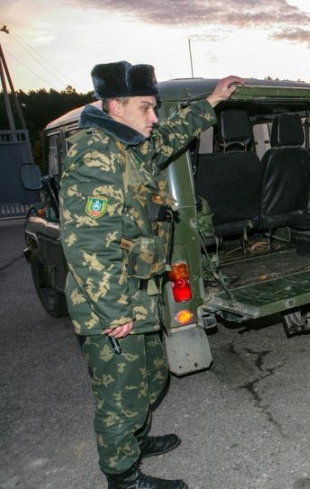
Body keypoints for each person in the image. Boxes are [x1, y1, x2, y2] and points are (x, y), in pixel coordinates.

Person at [59, 61, 243, 489]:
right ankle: (122, 477)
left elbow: (171, 135)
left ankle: (135, 440)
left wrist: (213, 99)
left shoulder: (131, 145)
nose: (154, 117)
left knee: (152, 375)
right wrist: (113, 312)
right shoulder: (95, 156)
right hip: (111, 304)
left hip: (136, 294)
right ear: (115, 106)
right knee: (120, 396)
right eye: (146, 107)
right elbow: (87, 242)